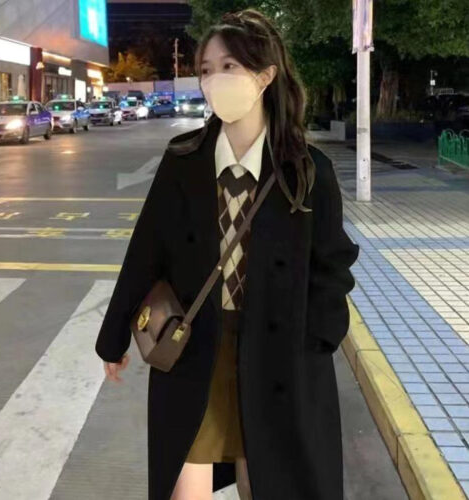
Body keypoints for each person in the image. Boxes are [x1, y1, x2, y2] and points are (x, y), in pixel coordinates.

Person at [95, 8, 360, 500]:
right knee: (184, 487)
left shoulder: (307, 171)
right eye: (206, 69)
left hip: (279, 359)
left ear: (265, 76)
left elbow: (332, 266)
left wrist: (317, 338)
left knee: (265, 482)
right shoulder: (183, 161)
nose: (214, 79)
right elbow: (146, 253)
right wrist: (113, 339)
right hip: (196, 350)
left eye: (229, 66)